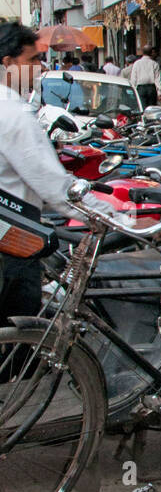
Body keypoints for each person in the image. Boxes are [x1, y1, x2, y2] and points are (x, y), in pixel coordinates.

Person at [0, 25, 122, 324]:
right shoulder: (12, 113)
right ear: (8, 63)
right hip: (12, 247)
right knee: (19, 341)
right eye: (31, 60)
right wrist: (115, 218)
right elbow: (54, 186)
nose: (38, 69)